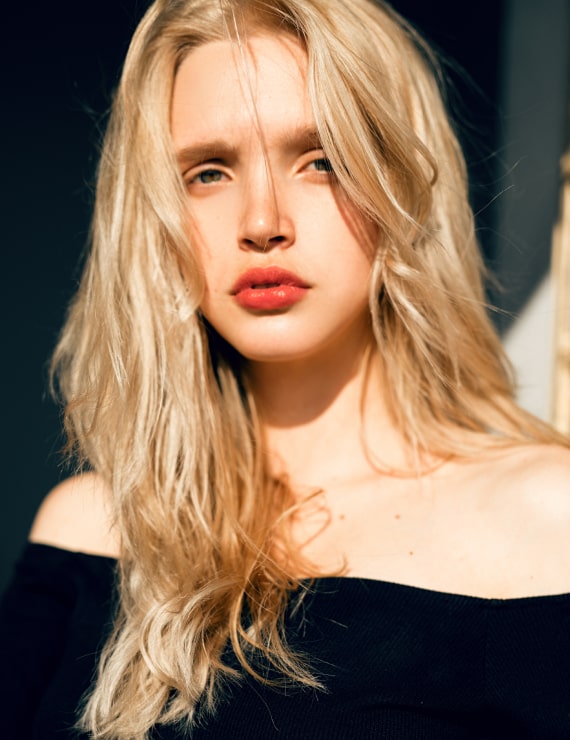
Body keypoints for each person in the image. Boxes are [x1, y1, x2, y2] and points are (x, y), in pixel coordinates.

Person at [2, 0, 570, 737]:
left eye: (321, 160)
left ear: (401, 182)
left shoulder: (544, 519)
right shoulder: (91, 527)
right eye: (208, 172)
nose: (262, 222)